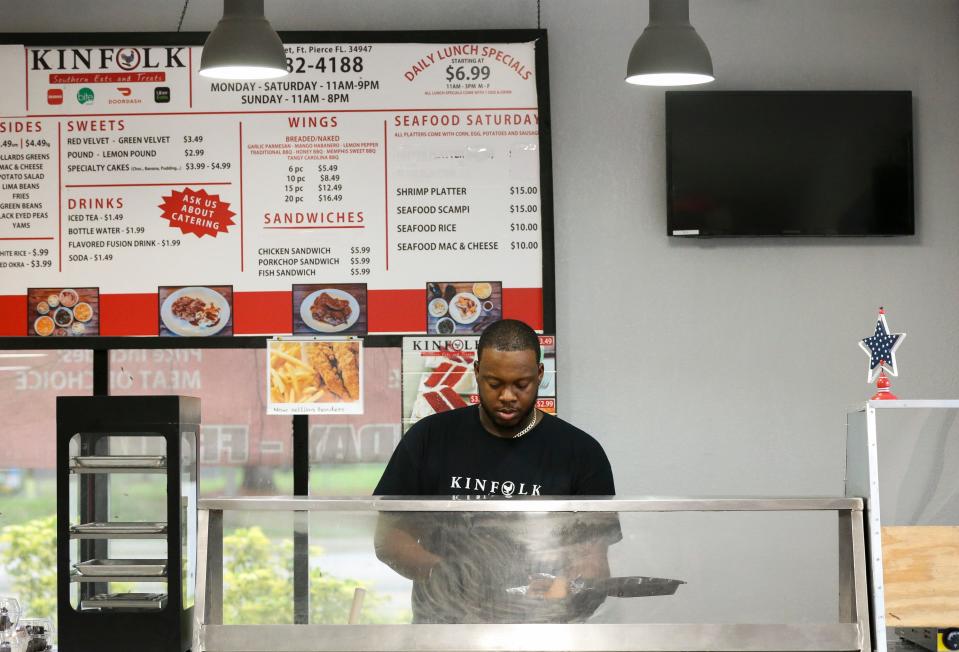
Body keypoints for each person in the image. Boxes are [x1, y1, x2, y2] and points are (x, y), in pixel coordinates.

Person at [373, 319, 621, 623]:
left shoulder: (581, 453)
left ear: (540, 375)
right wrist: (449, 574)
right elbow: (390, 540)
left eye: (521, 384)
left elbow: (592, 561)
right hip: (445, 630)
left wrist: (566, 589)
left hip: (540, 631)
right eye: (494, 383)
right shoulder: (429, 438)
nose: (507, 396)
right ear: (476, 372)